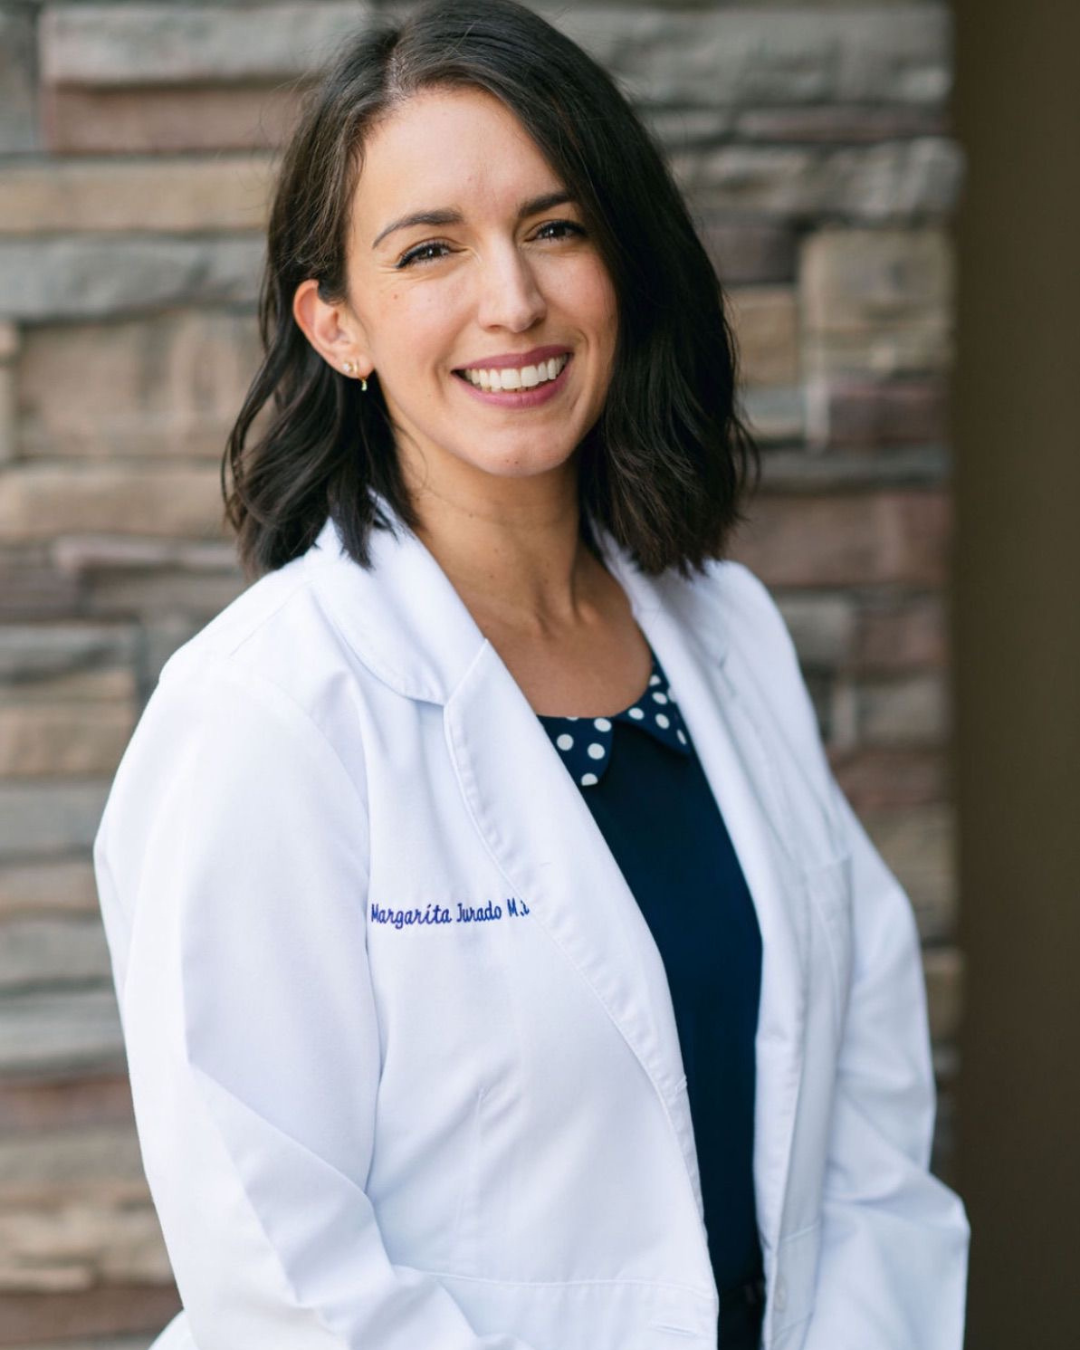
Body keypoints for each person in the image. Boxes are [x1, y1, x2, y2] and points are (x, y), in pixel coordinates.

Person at [91, 2, 969, 1348]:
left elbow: (863, 1105)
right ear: (337, 324)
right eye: (430, 249)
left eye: (555, 227)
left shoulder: (727, 630)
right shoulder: (268, 710)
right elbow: (282, 1267)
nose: (513, 299)